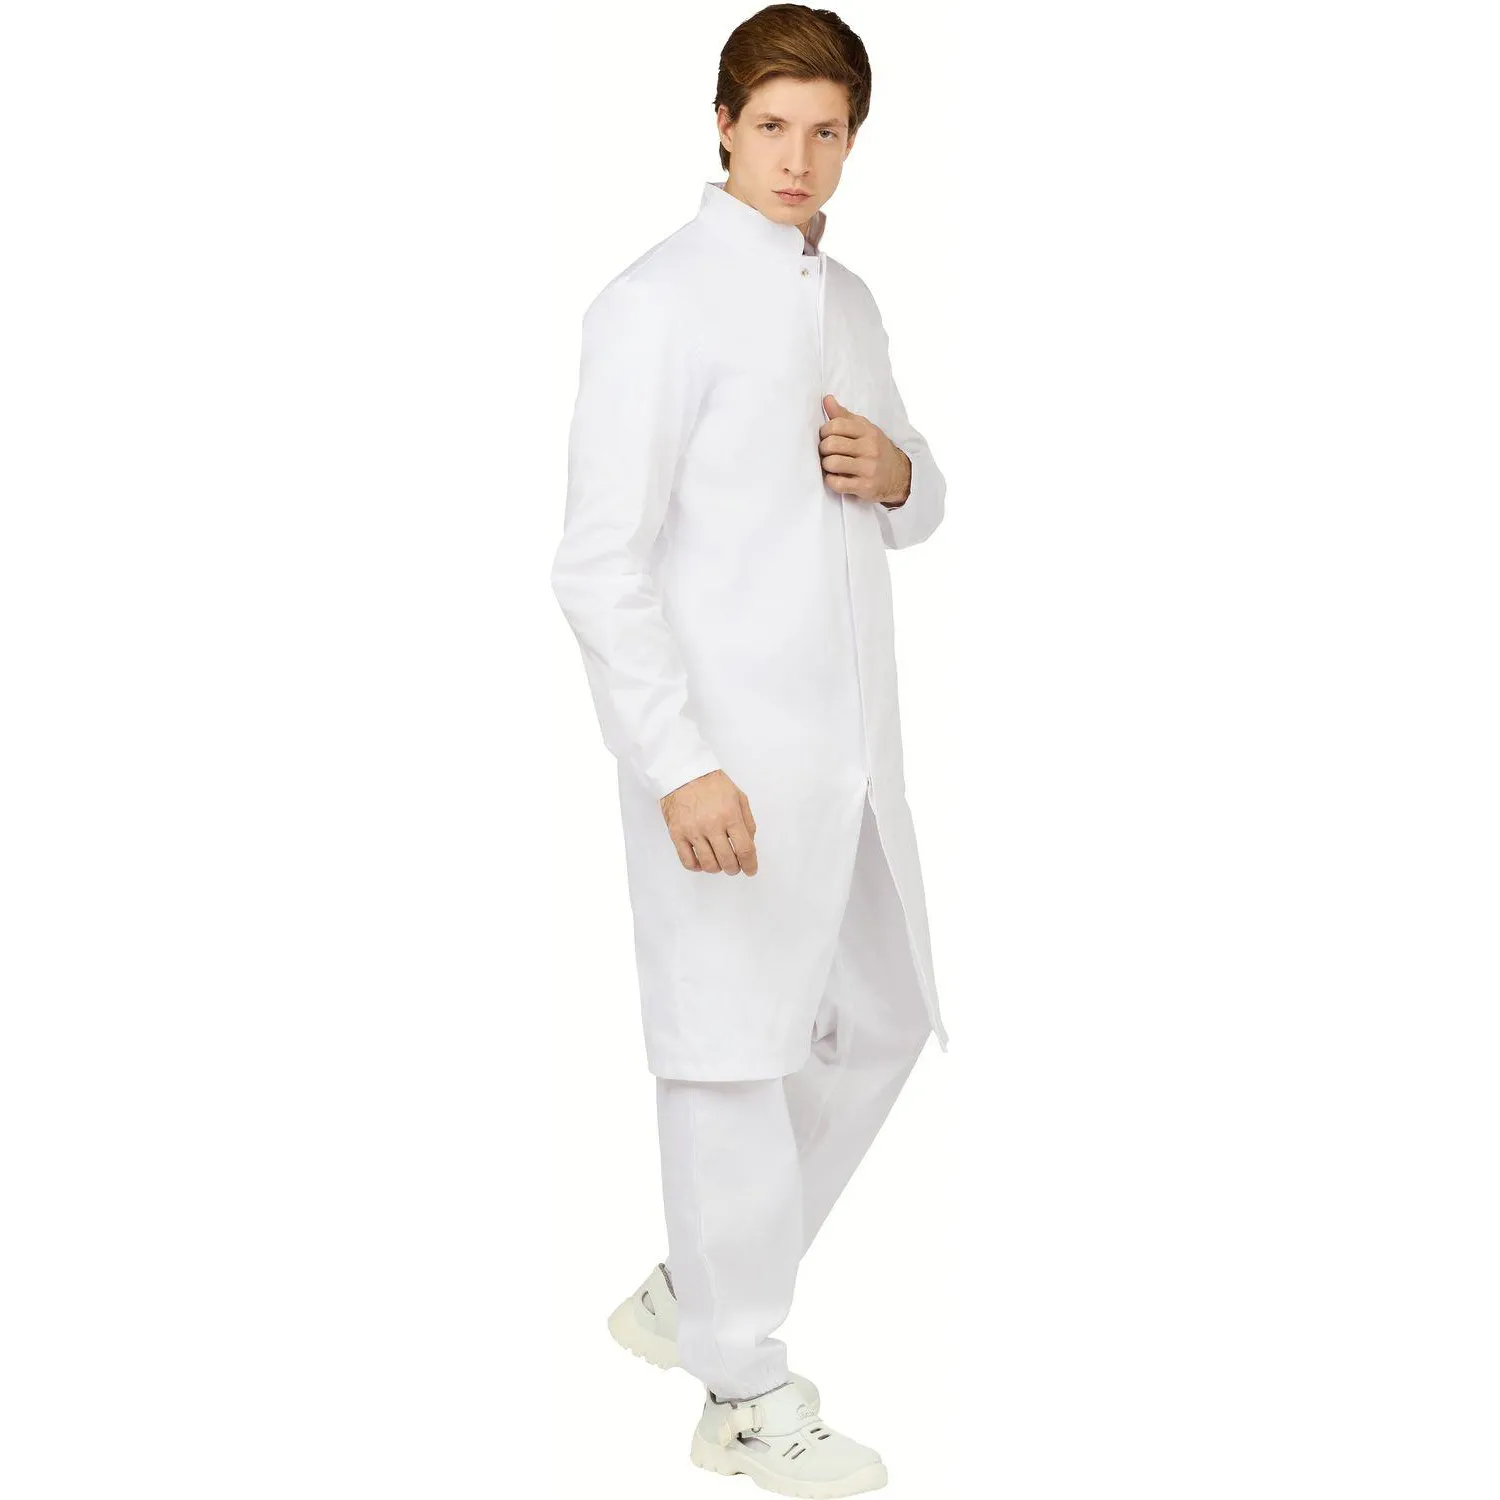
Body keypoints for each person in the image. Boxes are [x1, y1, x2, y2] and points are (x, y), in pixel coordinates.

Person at [550, 6, 948, 1492]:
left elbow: (909, 499)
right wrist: (676, 762)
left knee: (886, 1019)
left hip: (848, 762)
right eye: (772, 125)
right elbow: (599, 563)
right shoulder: (654, 304)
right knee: (726, 1058)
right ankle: (740, 1388)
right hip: (720, 763)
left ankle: (692, 1286)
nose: (798, 157)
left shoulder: (849, 302)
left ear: (854, 141)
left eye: (826, 131)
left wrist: (902, 476)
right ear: (721, 125)